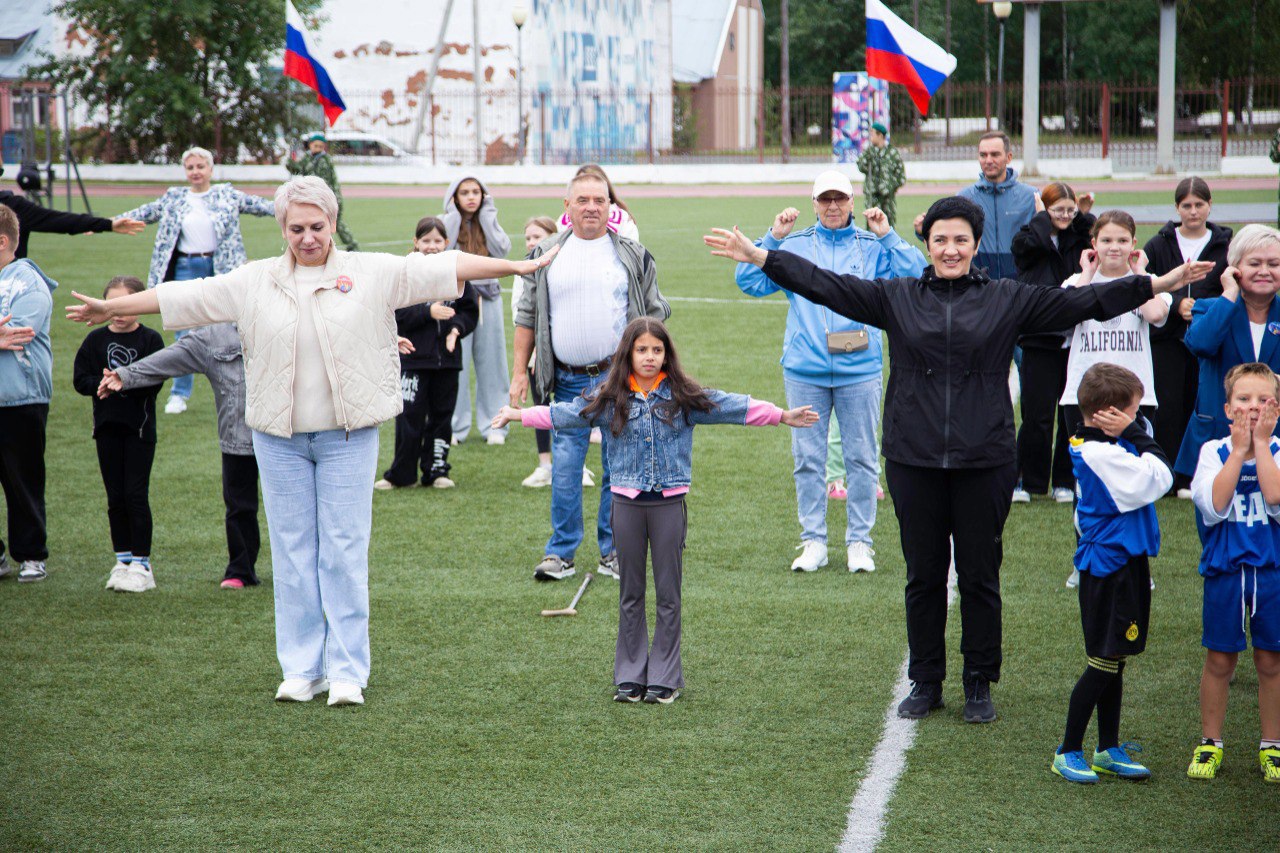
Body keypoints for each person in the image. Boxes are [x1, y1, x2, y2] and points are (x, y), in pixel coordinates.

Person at [706, 195, 1214, 724]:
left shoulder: (1005, 298)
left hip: (984, 458)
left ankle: (979, 680)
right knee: (924, 575)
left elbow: (1082, 304)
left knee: (979, 574)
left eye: (961, 240)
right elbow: (828, 286)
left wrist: (1157, 283)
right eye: (940, 240)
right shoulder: (897, 296)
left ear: (975, 246)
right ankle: (926, 680)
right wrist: (763, 256)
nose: (950, 250)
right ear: (926, 245)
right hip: (913, 457)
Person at [66, 176, 556, 706]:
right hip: (279, 440)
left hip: (348, 438)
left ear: (332, 222)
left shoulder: (370, 272)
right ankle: (301, 669)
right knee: (294, 554)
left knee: (343, 553)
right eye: (296, 228)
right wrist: (115, 308)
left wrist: (517, 267)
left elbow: (448, 267)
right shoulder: (253, 280)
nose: (307, 237)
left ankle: (347, 671)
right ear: (282, 228)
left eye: (317, 226)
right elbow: (185, 295)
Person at [493, 318, 819, 704]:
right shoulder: (608, 395)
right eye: (642, 350)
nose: (650, 357)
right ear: (628, 354)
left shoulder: (682, 395)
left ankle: (664, 677)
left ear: (667, 354)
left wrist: (781, 415)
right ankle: (630, 675)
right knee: (630, 593)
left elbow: (732, 406)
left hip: (668, 506)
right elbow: (567, 414)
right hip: (625, 507)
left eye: (657, 350)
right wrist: (520, 415)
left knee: (668, 594)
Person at [736, 170, 925, 573]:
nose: (833, 206)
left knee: (861, 457)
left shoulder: (873, 245)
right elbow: (749, 281)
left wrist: (888, 234)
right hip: (806, 369)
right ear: (814, 203)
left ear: (853, 202)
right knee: (807, 458)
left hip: (861, 368)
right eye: (825, 199)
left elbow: (918, 274)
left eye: (840, 198)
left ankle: (860, 542)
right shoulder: (796, 244)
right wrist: (773, 237)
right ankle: (813, 541)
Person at [511, 171, 669, 582]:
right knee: (565, 468)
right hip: (564, 380)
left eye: (599, 200)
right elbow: (526, 316)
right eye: (582, 200)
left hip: (618, 380)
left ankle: (613, 551)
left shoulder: (631, 254)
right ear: (567, 207)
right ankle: (560, 554)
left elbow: (657, 309)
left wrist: (645, 351)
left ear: (610, 207)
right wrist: (518, 375)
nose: (591, 207)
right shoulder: (545, 254)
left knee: (617, 469)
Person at [1051, 364, 1171, 784]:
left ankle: (1107, 747)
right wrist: (1135, 433)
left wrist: (1129, 432)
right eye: (1133, 412)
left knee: (1115, 658)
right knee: (1102, 661)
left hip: (1124, 561)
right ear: (1108, 414)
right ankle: (1068, 749)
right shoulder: (1103, 453)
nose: (1138, 420)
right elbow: (1161, 476)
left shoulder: (1100, 446)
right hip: (1110, 568)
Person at [1057, 212, 1171, 589]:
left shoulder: (1147, 284)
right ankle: (1084, 558)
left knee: (1136, 479)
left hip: (1135, 400)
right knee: (1089, 484)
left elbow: (1156, 315)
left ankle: (1137, 563)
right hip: (1082, 397)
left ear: (1134, 245)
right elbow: (1064, 313)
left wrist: (1141, 277)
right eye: (1106, 240)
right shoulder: (1077, 282)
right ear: (1094, 246)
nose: (1114, 247)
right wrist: (1086, 274)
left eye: (1122, 240)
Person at [102, 321, 262, 590]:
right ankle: (241, 569)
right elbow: (172, 358)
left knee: (297, 509)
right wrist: (126, 375)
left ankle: (301, 573)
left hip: (291, 436)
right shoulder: (215, 336)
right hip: (239, 436)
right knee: (239, 506)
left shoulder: (291, 319)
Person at [118, 146, 276, 415]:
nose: (195, 172)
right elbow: (146, 212)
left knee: (234, 329)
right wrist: (107, 222)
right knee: (184, 331)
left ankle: (245, 388)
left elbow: (261, 206)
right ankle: (179, 394)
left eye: (200, 167)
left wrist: (294, 208)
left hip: (222, 268)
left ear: (211, 169)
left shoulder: (227, 194)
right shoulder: (175, 197)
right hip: (185, 267)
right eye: (190, 168)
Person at [1188, 362, 1280, 783]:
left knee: (1271, 659)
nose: (1253, 408)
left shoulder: (1277, 448)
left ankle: (1272, 745)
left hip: (1271, 570)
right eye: (1244, 400)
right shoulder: (1213, 451)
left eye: (1263, 400)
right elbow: (1214, 504)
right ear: (1227, 409)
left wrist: (1260, 445)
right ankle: (1210, 741)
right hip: (1226, 569)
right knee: (1220, 658)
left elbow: (1276, 497)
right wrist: (1241, 450)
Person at [71, 276, 165, 592]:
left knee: (135, 494)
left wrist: (125, 380)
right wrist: (99, 386)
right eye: (113, 306)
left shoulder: (150, 340)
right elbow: (80, 379)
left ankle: (143, 565)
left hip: (139, 430)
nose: (120, 313)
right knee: (115, 498)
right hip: (106, 429)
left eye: (125, 305)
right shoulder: (94, 341)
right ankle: (122, 561)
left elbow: (155, 379)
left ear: (139, 304)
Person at [1143, 177, 1233, 497]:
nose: (1193, 212)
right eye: (1186, 205)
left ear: (1210, 205)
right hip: (1167, 338)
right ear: (1177, 208)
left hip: (1210, 340)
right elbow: (1150, 283)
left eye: (1199, 205)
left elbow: (1229, 288)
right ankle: (1168, 474)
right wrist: (1178, 301)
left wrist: (1201, 310)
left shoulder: (1226, 243)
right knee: (1167, 406)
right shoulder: (1158, 243)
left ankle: (1196, 475)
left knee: (1203, 404)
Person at [376, 216, 478, 490]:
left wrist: (456, 329)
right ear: (415, 242)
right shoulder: (404, 275)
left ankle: (436, 470)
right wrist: (427, 311)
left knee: (442, 417)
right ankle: (402, 474)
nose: (431, 246)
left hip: (447, 362)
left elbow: (469, 311)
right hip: (414, 359)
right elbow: (393, 312)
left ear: (446, 243)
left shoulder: (457, 272)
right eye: (425, 241)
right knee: (409, 416)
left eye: (437, 241)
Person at [1010, 182, 1096, 504]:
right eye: (1057, 210)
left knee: (1070, 414)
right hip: (1039, 339)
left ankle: (1064, 479)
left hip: (1075, 340)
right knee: (1037, 415)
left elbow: (1095, 232)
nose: (1064, 216)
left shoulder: (1079, 236)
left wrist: (1082, 214)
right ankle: (1029, 482)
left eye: (1069, 210)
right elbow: (1029, 249)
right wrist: (1041, 221)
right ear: (1043, 211)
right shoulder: (1028, 236)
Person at [1176, 224, 1280, 482]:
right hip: (1219, 436)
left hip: (1274, 441)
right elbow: (1201, 344)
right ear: (1235, 268)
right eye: (1255, 263)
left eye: (1274, 263)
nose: (1264, 271)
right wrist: (1230, 294)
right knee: (1217, 518)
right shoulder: (1211, 307)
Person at [0, 206, 57, 583]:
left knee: (22, 480)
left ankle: (31, 554)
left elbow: (17, 333)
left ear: (2, 241)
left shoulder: (28, 283)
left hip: (19, 397)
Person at [444, 176, 513, 446]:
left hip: (489, 299)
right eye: (464, 192)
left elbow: (502, 249)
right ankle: (454, 426)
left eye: (476, 192)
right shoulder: (447, 220)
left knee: (493, 364)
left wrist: (487, 216)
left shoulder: (488, 219)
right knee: (455, 365)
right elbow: (442, 250)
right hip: (457, 302)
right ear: (454, 197)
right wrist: (451, 216)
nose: (471, 197)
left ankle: (495, 425)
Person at [514, 215, 581, 489]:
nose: (531, 242)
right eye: (528, 237)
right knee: (541, 405)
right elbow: (521, 316)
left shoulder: (566, 266)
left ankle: (580, 464)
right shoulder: (523, 270)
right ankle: (545, 464)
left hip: (565, 354)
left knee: (572, 408)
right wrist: (529, 356)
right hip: (536, 356)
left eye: (537, 237)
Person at [0, 165, 144, 259]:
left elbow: (61, 221)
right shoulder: (12, 205)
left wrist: (108, 225)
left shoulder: (12, 205)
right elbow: (60, 221)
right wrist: (108, 225)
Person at [957, 131, 1039, 281]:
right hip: (979, 286)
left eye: (995, 154)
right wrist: (921, 230)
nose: (988, 160)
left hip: (1020, 286)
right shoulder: (964, 197)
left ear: (1009, 157)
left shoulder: (1031, 196)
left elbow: (1049, 235)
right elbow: (947, 232)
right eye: (983, 155)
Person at [285, 131, 358, 250]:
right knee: (315, 224)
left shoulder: (325, 160)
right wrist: (289, 162)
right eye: (315, 146)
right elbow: (297, 169)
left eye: (320, 146)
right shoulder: (307, 158)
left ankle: (353, 247)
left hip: (328, 198)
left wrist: (333, 199)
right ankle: (324, 248)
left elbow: (326, 182)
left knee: (336, 224)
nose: (318, 148)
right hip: (312, 198)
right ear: (310, 145)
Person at [556, 164, 639, 241]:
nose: (591, 208)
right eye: (581, 180)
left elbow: (633, 252)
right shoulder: (563, 221)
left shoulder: (622, 220)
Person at [855, 122, 906, 227]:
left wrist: (890, 187)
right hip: (872, 196)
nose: (870, 137)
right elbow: (861, 167)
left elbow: (901, 177)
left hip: (888, 198)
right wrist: (867, 157)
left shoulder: (892, 153)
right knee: (871, 226)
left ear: (880, 136)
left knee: (889, 225)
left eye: (872, 134)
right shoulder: (869, 152)